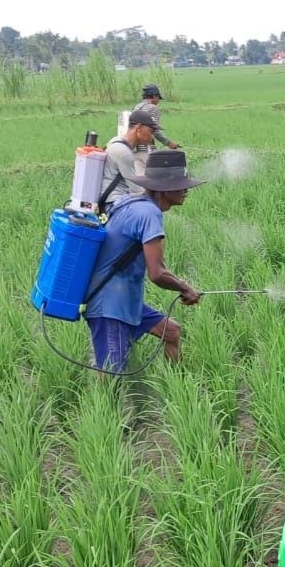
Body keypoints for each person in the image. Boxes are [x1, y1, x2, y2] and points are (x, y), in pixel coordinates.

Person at [83, 149, 203, 372]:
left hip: (125, 298)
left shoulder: (132, 201)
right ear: (165, 188)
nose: (186, 190)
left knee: (172, 332)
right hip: (109, 304)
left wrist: (181, 285)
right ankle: (105, 407)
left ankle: (175, 388)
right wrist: (185, 287)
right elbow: (157, 273)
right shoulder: (148, 214)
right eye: (181, 184)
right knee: (112, 374)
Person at [99, 108, 157, 210]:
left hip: (107, 200)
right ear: (138, 128)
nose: (152, 137)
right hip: (113, 203)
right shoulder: (124, 153)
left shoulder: (115, 141)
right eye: (151, 131)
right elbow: (137, 190)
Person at [132, 83, 179, 173]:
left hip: (133, 147)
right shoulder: (153, 108)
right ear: (154, 96)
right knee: (155, 175)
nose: (158, 101)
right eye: (158, 98)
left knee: (140, 176)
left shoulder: (137, 107)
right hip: (146, 148)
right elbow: (154, 130)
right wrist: (168, 143)